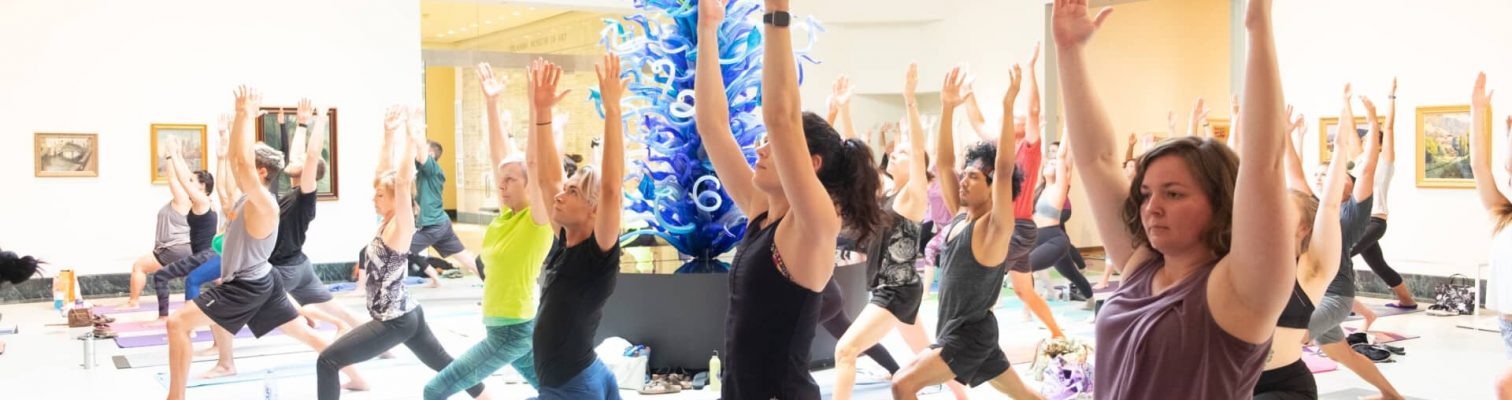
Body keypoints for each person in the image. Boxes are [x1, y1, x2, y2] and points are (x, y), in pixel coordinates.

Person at [1055, 0, 1296, 397]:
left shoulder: (1240, 291)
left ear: (1220, 201)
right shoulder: (1141, 266)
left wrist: (1257, 24)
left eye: (1173, 193)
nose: (1152, 207)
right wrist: (1069, 52)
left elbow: (1263, 161)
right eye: (1146, 194)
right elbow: (1097, 160)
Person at [699, 1, 885, 397]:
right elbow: (712, 126)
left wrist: (776, 13)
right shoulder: (762, 211)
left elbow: (781, 118)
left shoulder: (815, 224)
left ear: (810, 163)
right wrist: (707, 28)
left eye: (772, 145)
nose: (760, 149)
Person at [163, 86, 366, 400]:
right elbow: (237, 163)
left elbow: (245, 164)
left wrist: (247, 116)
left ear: (260, 172)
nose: (240, 167)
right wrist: (236, 122)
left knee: (177, 323)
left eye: (248, 166)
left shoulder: (267, 202)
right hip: (265, 278)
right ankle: (357, 376)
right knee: (303, 332)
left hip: (250, 283)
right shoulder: (254, 197)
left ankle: (176, 396)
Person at [891, 60, 1039, 398]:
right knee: (1027, 396)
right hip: (964, 331)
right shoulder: (960, 216)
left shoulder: (994, 227)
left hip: (967, 337)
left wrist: (1007, 107)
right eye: (966, 174)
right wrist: (947, 107)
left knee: (902, 384)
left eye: (973, 177)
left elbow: (1004, 170)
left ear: (992, 188)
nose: (963, 180)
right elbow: (944, 163)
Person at [313, 106, 482, 400]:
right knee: (447, 367)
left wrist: (411, 137)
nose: (374, 198)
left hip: (394, 321)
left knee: (327, 361)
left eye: (380, 195)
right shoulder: (386, 221)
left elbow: (401, 182)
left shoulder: (401, 226)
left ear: (396, 199)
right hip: (408, 313)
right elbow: (383, 176)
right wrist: (388, 135)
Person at [424, 61, 555, 399]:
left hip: (511, 332)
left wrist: (537, 106)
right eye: (501, 180)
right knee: (556, 393)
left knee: (434, 390)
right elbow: (501, 158)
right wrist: (491, 103)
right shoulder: (507, 216)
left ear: (530, 185)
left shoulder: (537, 221)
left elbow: (534, 163)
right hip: (510, 327)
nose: (502, 184)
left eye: (511, 180)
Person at [831, 63, 956, 400]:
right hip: (896, 287)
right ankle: (963, 396)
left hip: (896, 291)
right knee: (931, 355)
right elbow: (859, 162)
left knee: (845, 350)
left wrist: (910, 100)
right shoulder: (885, 192)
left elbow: (917, 150)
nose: (894, 154)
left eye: (900, 153)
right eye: (894, 151)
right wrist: (844, 108)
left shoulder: (913, 196)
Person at [520, 54, 630, 398]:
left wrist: (613, 110)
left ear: (594, 210)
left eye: (573, 192)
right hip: (583, 374)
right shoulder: (564, 239)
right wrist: (542, 112)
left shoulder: (598, 252)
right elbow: (546, 178)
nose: (560, 195)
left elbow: (611, 187)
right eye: (565, 189)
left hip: (573, 385)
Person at [1288, 85, 1403, 400]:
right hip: (1312, 296)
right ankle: (1391, 394)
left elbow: (1367, 170)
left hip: (1334, 298)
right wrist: (1286, 136)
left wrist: (1374, 124)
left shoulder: (1352, 212)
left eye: (1329, 175)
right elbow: (1295, 174)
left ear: (1347, 185)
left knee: (1287, 338)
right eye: (1319, 176)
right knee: (1343, 354)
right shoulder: (1313, 209)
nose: (1321, 179)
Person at [1255, 103, 1351, 399]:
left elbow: (1330, 205)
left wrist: (1341, 149)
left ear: (1304, 227)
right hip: (1236, 382)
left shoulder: (1312, 270)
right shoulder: (1250, 265)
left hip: (1285, 387)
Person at [265, 99, 370, 341]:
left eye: (300, 162)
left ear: (309, 171)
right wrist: (301, 125)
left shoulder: (305, 195)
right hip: (300, 266)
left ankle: (322, 329)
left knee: (268, 306)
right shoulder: (292, 191)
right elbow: (299, 156)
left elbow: (312, 155)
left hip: (285, 270)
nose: (294, 161)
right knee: (338, 310)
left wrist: (320, 120)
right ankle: (381, 345)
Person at [1349, 79, 1416, 309]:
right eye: (1364, 138)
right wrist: (1346, 102)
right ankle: (1407, 300)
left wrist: (1390, 97)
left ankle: (1343, 303)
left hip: (1375, 221)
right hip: (1358, 221)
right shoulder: (1359, 161)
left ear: (1379, 144)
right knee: (1379, 265)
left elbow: (1388, 128)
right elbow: (1350, 130)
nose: (1364, 141)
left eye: (1370, 139)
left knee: (1342, 256)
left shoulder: (1384, 162)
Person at [1468, 73, 1512, 400]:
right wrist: (1478, 111)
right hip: (1508, 326)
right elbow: (1479, 166)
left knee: (1504, 386)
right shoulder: (1504, 214)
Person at [149, 135, 220, 321]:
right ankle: (196, 317)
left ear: (202, 186)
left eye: (193, 181)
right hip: (207, 254)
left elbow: (184, 180)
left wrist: (173, 153)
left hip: (205, 255)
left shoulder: (202, 202)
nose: (189, 183)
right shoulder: (205, 200)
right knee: (213, 283)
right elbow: (183, 177)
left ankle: (169, 318)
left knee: (162, 276)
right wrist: (176, 154)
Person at [410, 109, 482, 282]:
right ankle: (490, 282)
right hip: (441, 223)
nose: (418, 152)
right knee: (467, 260)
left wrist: (417, 125)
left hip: (434, 226)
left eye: (423, 149)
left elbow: (420, 151)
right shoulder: (423, 172)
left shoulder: (433, 170)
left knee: (400, 249)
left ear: (431, 155)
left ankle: (431, 273)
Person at [125, 149, 196, 308]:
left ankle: (133, 302)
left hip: (174, 248)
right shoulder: (199, 201)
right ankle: (233, 293)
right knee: (215, 275)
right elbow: (187, 176)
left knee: (139, 266)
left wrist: (169, 156)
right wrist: (178, 154)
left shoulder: (183, 200)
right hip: (188, 249)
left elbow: (173, 179)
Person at [1029, 137, 1092, 301]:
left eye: (1053, 164)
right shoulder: (1038, 189)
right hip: (1036, 238)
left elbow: (1063, 156)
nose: (1049, 164)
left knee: (1024, 267)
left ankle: (1028, 310)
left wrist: (1067, 132)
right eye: (1048, 163)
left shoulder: (1059, 187)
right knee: (1072, 274)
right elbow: (1036, 154)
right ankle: (1091, 301)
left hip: (1054, 239)